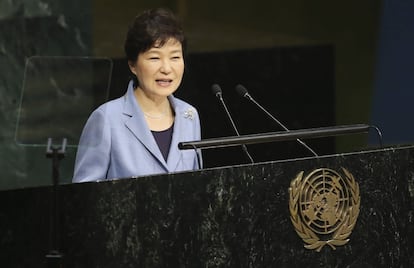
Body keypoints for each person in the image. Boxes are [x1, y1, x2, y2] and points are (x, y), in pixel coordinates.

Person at [73, 7, 202, 183]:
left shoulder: (189, 115)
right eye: (154, 58)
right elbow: (83, 196)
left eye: (175, 57)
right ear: (133, 65)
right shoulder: (107, 118)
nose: (166, 68)